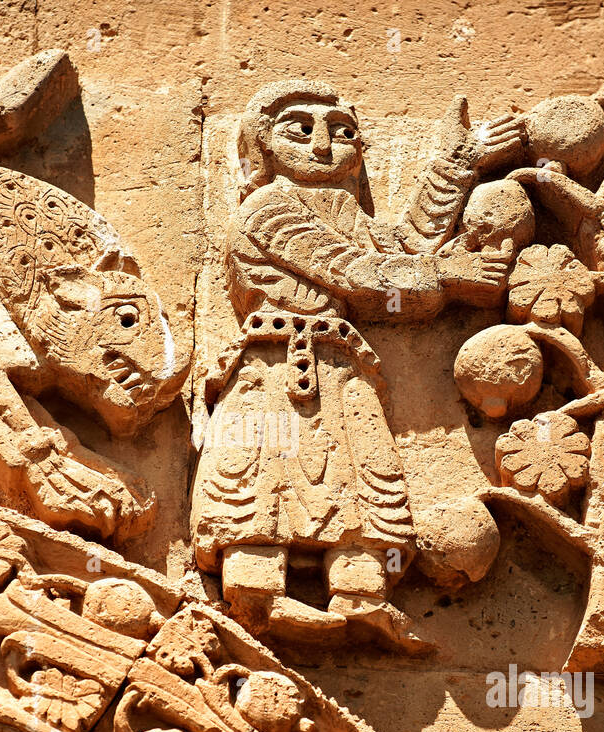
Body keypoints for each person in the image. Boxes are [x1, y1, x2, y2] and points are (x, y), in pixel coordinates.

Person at [192, 80, 522, 652]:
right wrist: (447, 277)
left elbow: (402, 244)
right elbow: (360, 276)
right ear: (263, 146)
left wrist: (456, 163)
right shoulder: (267, 211)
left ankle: (360, 597)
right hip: (274, 362)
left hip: (341, 365)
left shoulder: (341, 211)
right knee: (262, 478)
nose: (323, 144)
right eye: (300, 129)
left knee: (361, 476)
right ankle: (253, 590)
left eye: (342, 133)